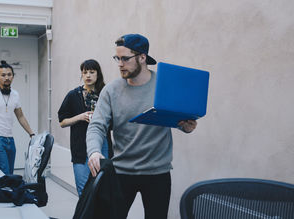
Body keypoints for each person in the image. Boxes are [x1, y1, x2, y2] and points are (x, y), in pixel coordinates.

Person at [86, 34, 197, 219]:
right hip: (122, 171)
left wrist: (185, 126)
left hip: (157, 172)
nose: (120, 64)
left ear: (142, 57)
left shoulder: (165, 86)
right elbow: (97, 125)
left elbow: (176, 120)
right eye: (117, 58)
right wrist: (94, 151)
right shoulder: (111, 90)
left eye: (125, 58)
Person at [58, 59, 112, 196]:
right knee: (83, 191)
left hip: (102, 144)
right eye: (84, 72)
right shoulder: (73, 95)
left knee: (103, 188)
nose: (88, 75)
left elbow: (114, 121)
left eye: (92, 72)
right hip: (80, 148)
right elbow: (62, 122)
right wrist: (80, 117)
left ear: (98, 74)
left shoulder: (105, 94)